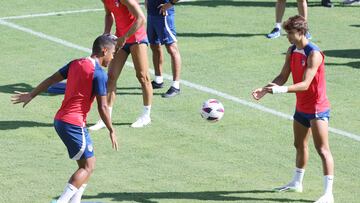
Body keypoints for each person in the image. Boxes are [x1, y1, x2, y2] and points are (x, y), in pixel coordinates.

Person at [11, 35, 119, 203]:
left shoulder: (75, 63)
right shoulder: (99, 74)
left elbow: (52, 80)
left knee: (86, 165)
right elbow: (103, 106)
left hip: (60, 120)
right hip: (74, 124)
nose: (112, 57)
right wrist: (111, 129)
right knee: (88, 166)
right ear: (104, 51)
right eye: (112, 53)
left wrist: (31, 94)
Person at [253, 15, 334, 203]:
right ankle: (297, 183)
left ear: (301, 32)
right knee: (299, 145)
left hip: (316, 108)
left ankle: (328, 194)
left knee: (322, 149)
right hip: (301, 107)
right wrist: (265, 89)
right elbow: (283, 76)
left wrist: (278, 91)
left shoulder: (314, 54)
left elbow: (305, 84)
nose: (287, 36)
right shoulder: (291, 50)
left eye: (290, 33)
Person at [90, 0, 153, 130]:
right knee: (111, 77)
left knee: (143, 76)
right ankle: (105, 117)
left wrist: (125, 37)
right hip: (120, 39)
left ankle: (146, 116)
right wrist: (106, 34)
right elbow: (109, 14)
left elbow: (141, 19)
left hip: (136, 38)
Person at [145, 0, 182, 98]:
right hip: (151, 14)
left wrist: (169, 4)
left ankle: (176, 86)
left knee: (172, 48)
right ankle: (158, 80)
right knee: (154, 45)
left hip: (164, 15)